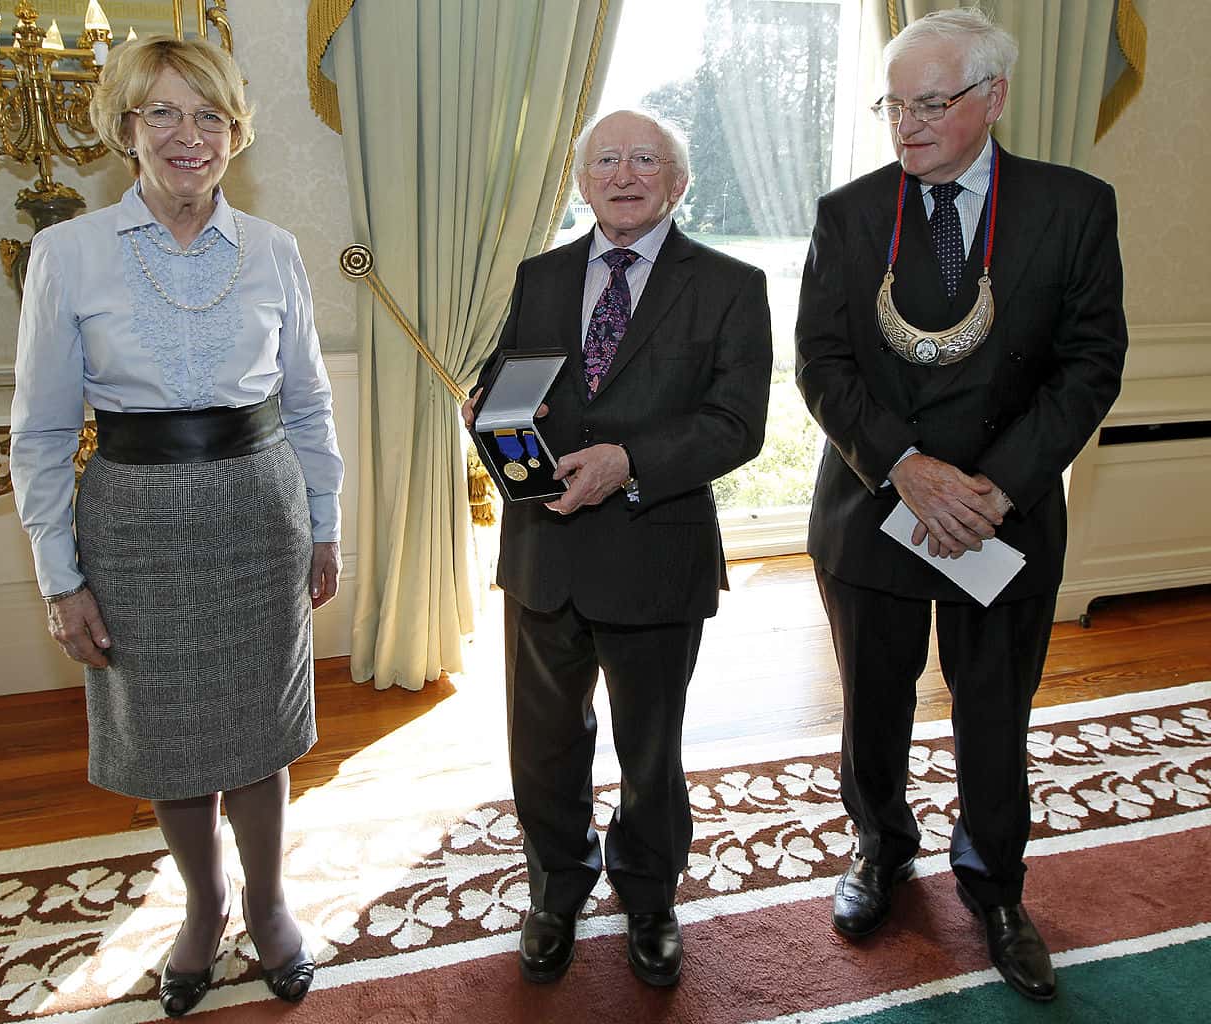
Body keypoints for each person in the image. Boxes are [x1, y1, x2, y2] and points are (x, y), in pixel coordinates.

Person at [795, 7, 1126, 1003]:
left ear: (993, 98)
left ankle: (992, 884)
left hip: (999, 516)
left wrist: (995, 486)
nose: (905, 123)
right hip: (873, 506)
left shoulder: (1072, 207)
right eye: (893, 103)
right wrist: (904, 466)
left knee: (992, 711)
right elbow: (820, 364)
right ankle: (878, 849)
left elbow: (1087, 363)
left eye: (929, 102)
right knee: (874, 706)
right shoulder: (848, 214)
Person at [10, 36, 343, 1018]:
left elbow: (311, 407)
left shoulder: (275, 252)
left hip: (257, 508)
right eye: (161, 112)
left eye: (207, 115)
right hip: (134, 520)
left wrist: (324, 526)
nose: (187, 136)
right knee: (168, 734)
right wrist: (59, 578)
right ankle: (204, 908)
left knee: (256, 727)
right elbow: (36, 433)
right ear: (124, 129)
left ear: (236, 133)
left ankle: (271, 903)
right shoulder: (65, 254)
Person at [463, 109, 772, 987]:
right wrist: (484, 407)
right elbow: (508, 378)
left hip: (654, 551)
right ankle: (556, 885)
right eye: (605, 160)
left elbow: (737, 425)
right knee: (544, 742)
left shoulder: (729, 284)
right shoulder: (541, 276)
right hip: (544, 556)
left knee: (650, 746)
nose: (624, 173)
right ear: (581, 180)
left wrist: (628, 462)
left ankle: (649, 895)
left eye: (646, 159)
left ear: (678, 182)